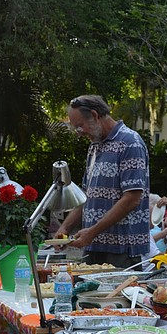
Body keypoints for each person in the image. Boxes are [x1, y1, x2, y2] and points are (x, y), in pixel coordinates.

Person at [57, 95, 150, 268]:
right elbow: (86, 196)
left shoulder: (130, 143)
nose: (79, 133)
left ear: (95, 115)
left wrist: (92, 232)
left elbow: (132, 199)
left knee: (117, 295)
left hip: (121, 249)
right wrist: (65, 228)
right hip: (93, 247)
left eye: (79, 126)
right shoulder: (94, 146)